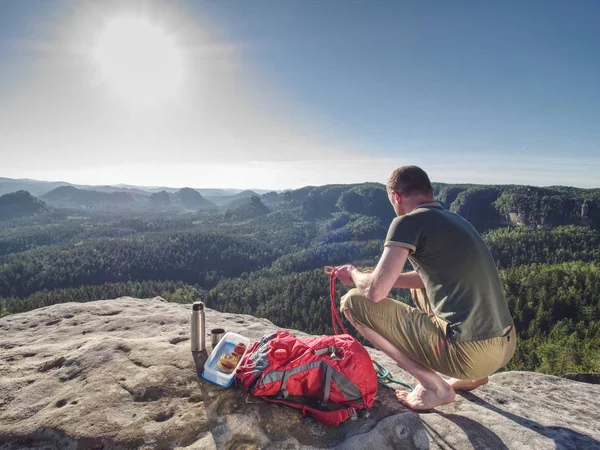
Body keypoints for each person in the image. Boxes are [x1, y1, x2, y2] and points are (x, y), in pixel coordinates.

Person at [334, 165, 515, 411]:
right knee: (419, 287)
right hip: (505, 345)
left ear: (396, 196)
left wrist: (354, 274)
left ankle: (433, 387)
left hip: (470, 353)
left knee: (353, 303)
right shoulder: (458, 220)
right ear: (430, 192)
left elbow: (374, 293)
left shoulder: (407, 222)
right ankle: (471, 377)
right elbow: (424, 278)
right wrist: (382, 276)